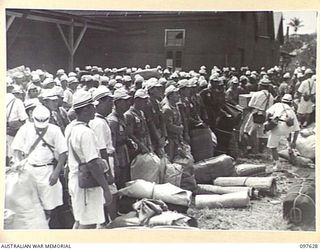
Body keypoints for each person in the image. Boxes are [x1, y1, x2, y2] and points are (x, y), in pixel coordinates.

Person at [11, 105, 67, 225]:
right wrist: (18, 163)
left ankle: (49, 227)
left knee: (50, 206)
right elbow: (16, 149)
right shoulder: (25, 129)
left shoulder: (54, 130)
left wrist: (56, 173)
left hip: (48, 170)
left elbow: (63, 152)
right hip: (29, 170)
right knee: (31, 205)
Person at [64, 90, 112, 229]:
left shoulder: (71, 127)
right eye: (92, 107)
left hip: (75, 179)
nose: (95, 109)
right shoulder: (86, 132)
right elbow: (93, 164)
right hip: (86, 184)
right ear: (85, 109)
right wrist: (106, 188)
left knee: (79, 220)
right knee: (88, 224)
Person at [89, 86, 118, 222]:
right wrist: (108, 172)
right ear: (99, 103)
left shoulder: (99, 121)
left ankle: (107, 220)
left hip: (106, 160)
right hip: (104, 161)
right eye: (108, 103)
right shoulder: (99, 123)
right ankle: (113, 222)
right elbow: (102, 149)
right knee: (111, 193)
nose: (111, 107)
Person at [265, 94, 300, 170]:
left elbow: (268, 113)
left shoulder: (277, 105)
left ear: (282, 100)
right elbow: (297, 129)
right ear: (290, 103)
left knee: (273, 147)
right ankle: (290, 148)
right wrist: (294, 142)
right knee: (289, 133)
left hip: (278, 127)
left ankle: (277, 165)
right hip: (288, 128)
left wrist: (268, 121)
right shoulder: (292, 111)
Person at [107, 88, 131, 189]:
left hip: (124, 153)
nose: (127, 103)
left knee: (124, 179)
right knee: (118, 180)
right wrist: (115, 161)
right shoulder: (113, 121)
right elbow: (111, 144)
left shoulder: (122, 117)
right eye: (124, 101)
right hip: (117, 154)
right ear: (117, 103)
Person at [243, 78, 274, 153]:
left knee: (246, 132)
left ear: (261, 86)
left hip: (255, 115)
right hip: (265, 116)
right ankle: (261, 150)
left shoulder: (256, 94)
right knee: (262, 135)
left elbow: (250, 105)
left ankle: (249, 147)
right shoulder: (271, 96)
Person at [124, 88, 153, 160]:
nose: (145, 104)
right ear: (137, 100)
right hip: (136, 147)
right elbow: (130, 134)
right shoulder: (129, 114)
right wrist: (141, 146)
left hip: (145, 143)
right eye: (144, 101)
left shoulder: (141, 113)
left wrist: (149, 144)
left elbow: (146, 131)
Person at [162, 85, 184, 162]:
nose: (178, 96)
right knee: (170, 158)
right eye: (176, 94)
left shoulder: (175, 106)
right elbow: (168, 126)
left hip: (177, 137)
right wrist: (180, 128)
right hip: (170, 138)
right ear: (170, 96)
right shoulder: (167, 109)